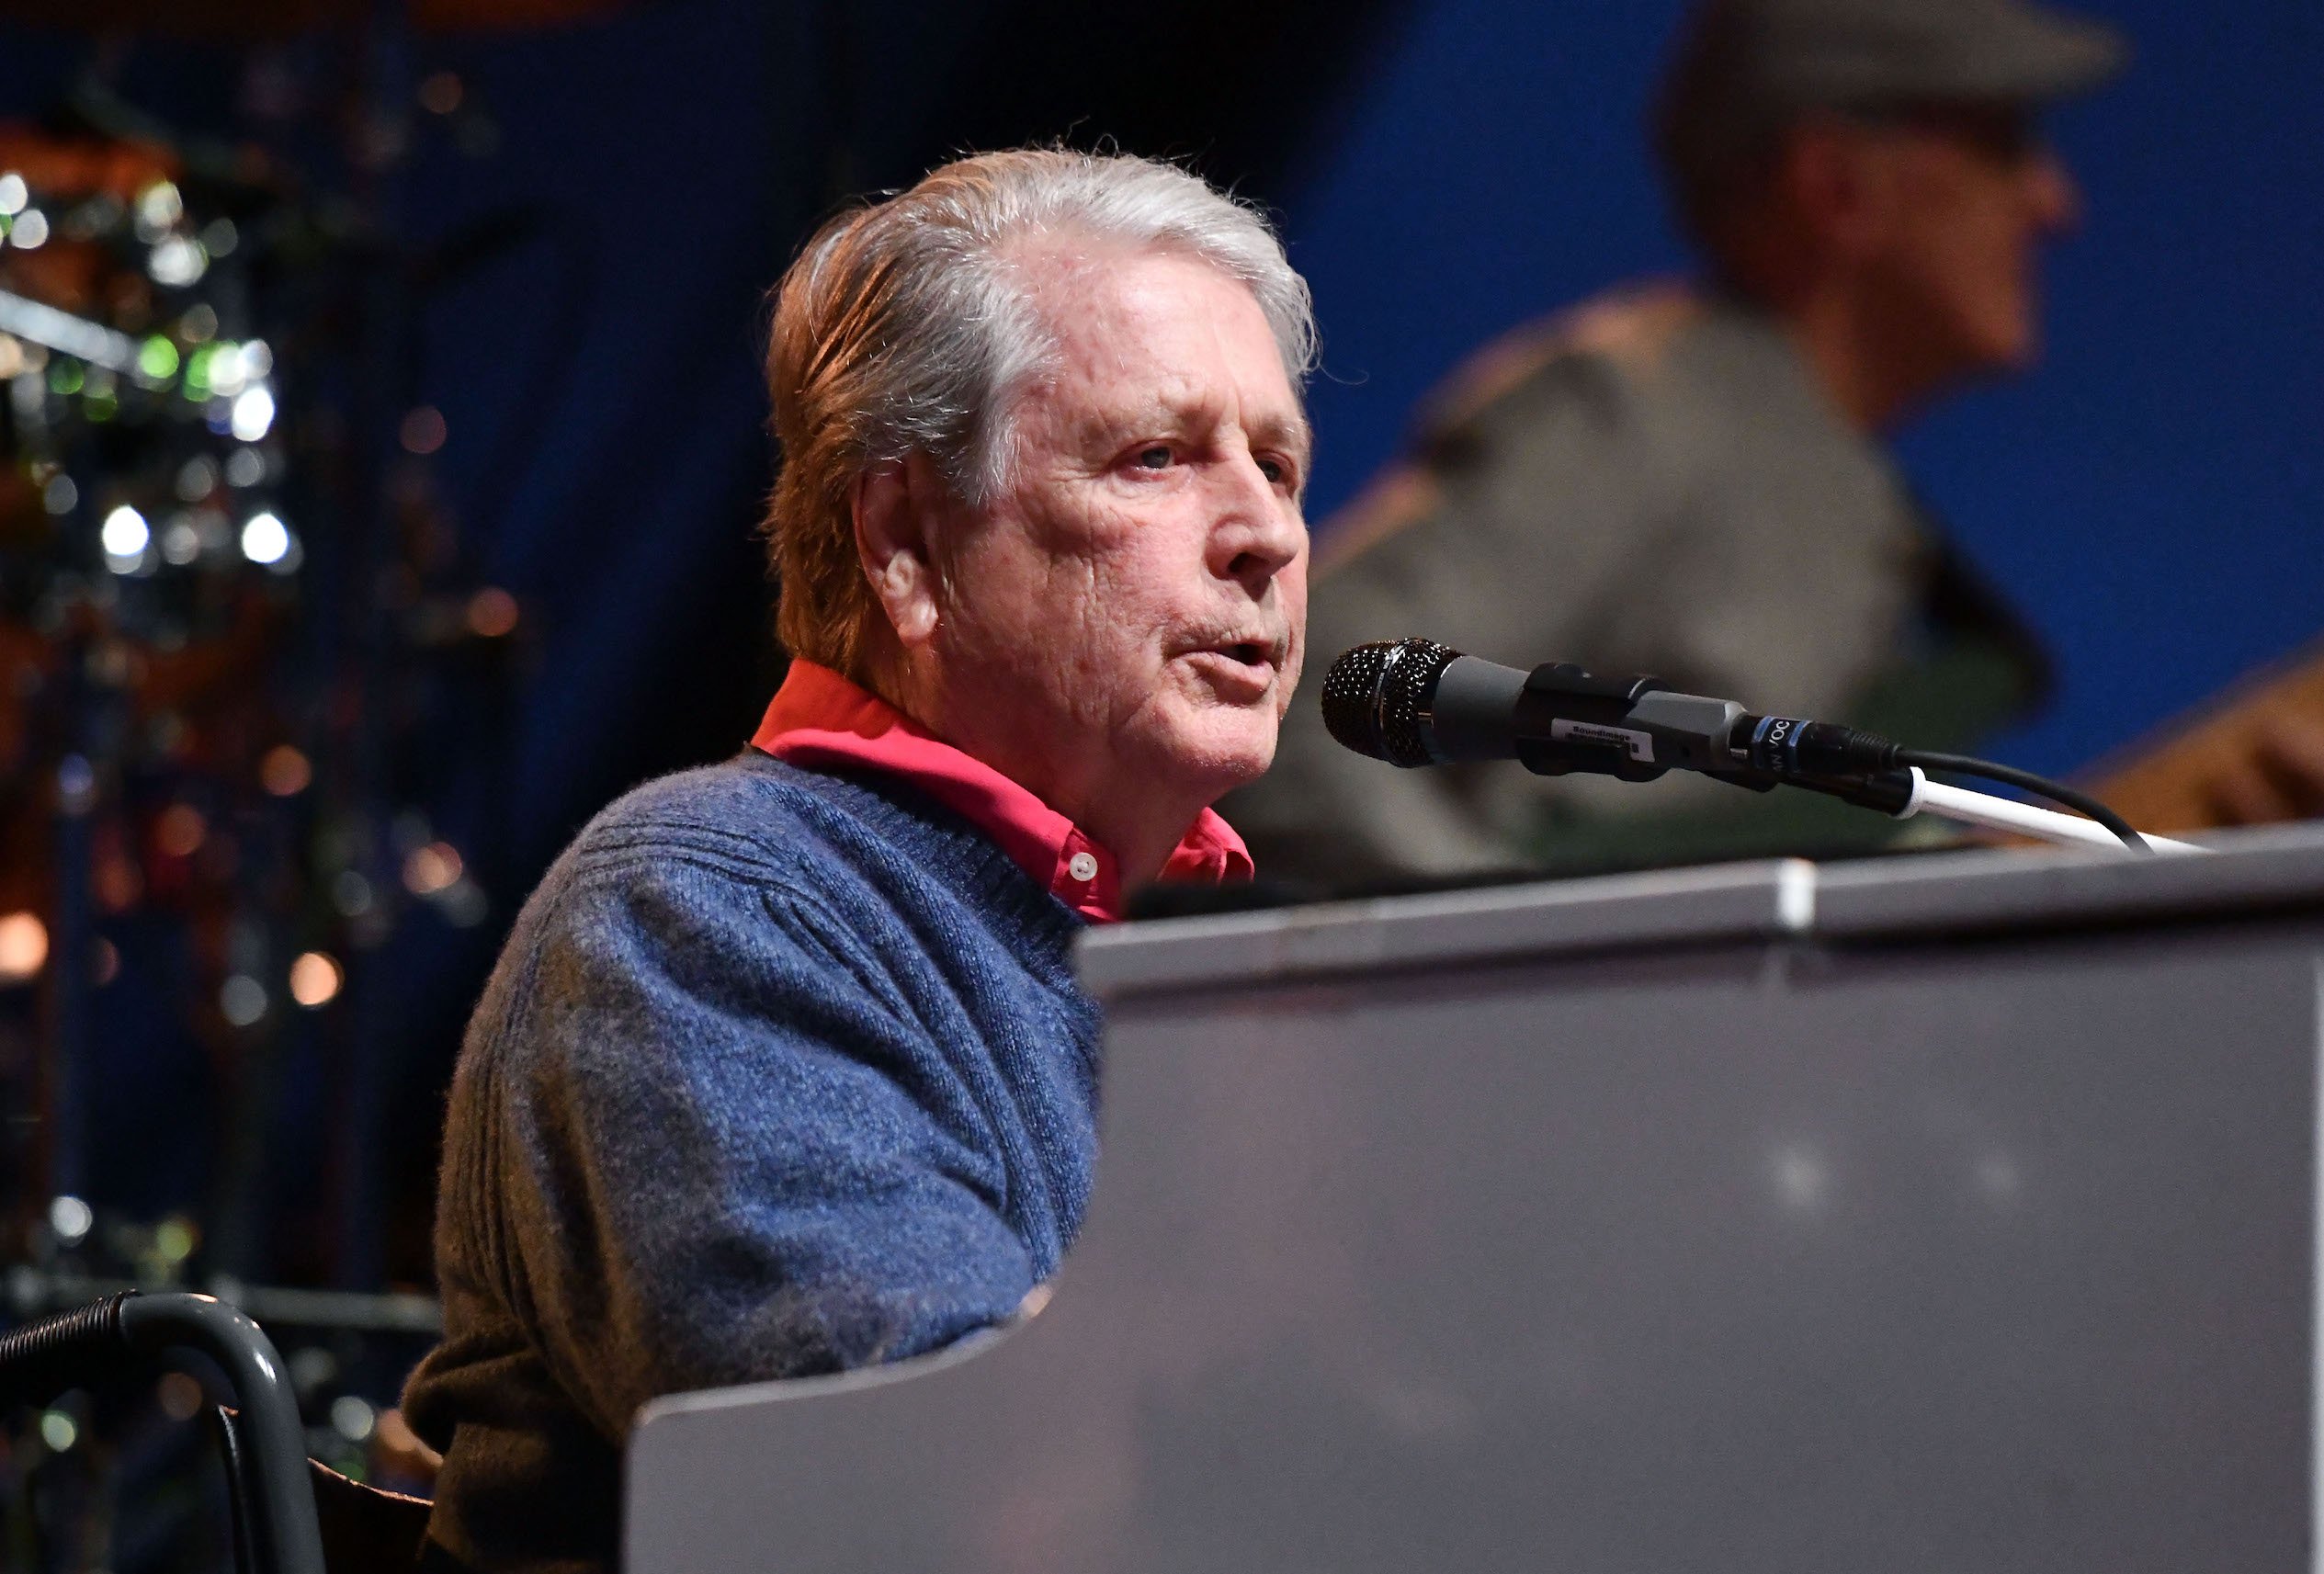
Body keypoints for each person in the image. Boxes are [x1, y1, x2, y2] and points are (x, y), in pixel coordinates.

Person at [398, 148, 1315, 1573]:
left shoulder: (1215, 972)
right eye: (1158, 456)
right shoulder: (704, 910)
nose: (1264, 533)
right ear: (902, 542)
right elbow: (945, 1505)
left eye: (1278, 462)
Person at [1230, 0, 2126, 886]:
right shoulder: (1645, 405)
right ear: (1838, 186)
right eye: (2004, 145)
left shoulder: (1835, 490)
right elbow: (1315, 705)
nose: (2056, 203)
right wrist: (1543, 957)